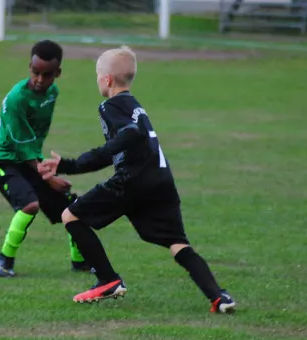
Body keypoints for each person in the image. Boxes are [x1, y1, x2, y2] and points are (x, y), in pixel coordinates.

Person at [38, 46, 236, 313]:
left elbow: (129, 136)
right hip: (161, 181)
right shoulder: (135, 106)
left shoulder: (110, 105)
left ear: (106, 79)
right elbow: (122, 144)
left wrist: (69, 165)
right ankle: (219, 297)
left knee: (70, 216)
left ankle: (108, 280)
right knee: (177, 242)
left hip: (133, 180)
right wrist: (70, 166)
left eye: (98, 76)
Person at [0, 39, 90, 278]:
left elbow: (35, 138)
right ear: (29, 67)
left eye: (47, 74)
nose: (40, 80)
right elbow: (20, 144)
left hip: (29, 159)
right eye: (35, 72)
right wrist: (47, 177)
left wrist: (44, 169)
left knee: (73, 206)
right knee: (29, 205)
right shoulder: (16, 99)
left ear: (58, 73)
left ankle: (80, 260)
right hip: (4, 160)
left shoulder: (52, 93)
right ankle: (4, 260)